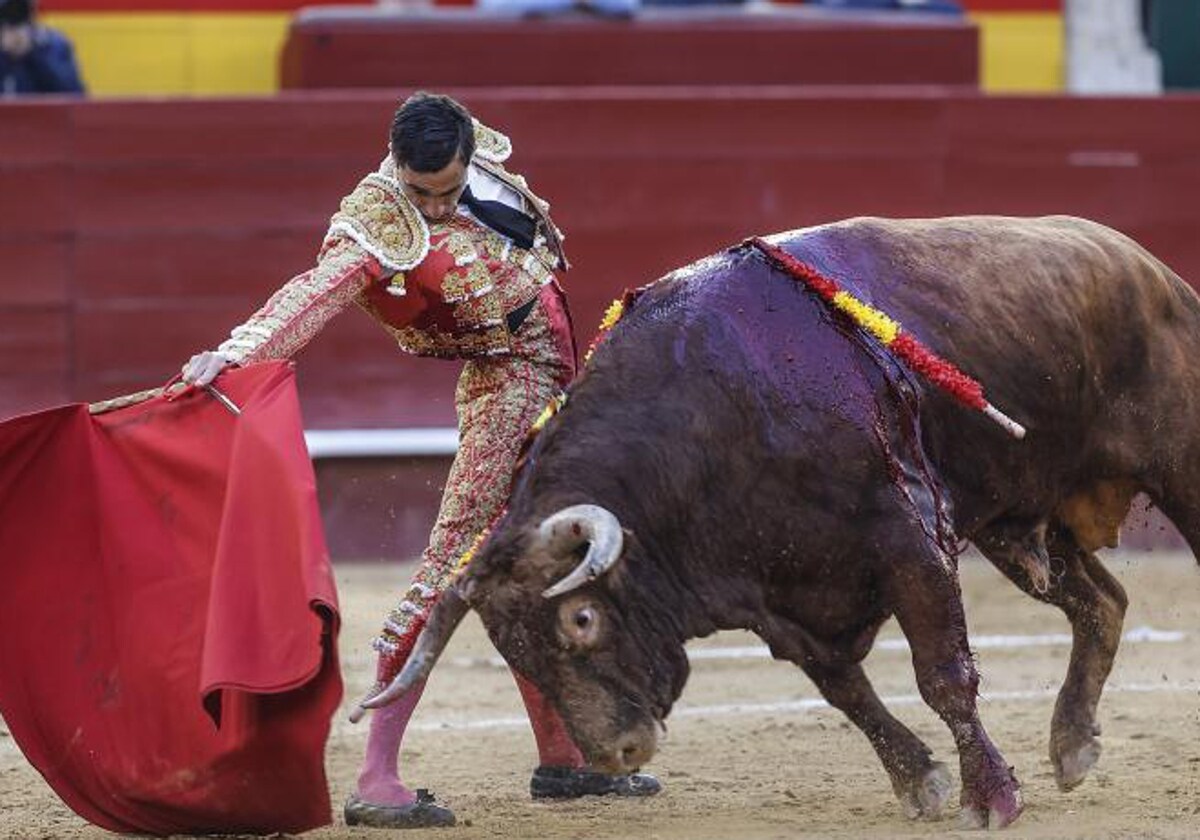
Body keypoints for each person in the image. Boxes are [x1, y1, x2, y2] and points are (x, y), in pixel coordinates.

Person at [182, 91, 660, 829]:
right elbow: (311, 295)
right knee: (450, 570)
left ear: (468, 156)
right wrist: (239, 352)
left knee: (530, 571)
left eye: (446, 192)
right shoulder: (376, 225)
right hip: (508, 391)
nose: (433, 210)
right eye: (419, 192)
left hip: (560, 389)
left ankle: (564, 760)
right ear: (395, 166)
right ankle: (376, 776)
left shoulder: (485, 159)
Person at [0, 0, 84, 96]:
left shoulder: (54, 44)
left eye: (19, 14)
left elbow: (75, 96)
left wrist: (32, 54)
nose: (13, 26)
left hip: (44, 111)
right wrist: (4, 56)